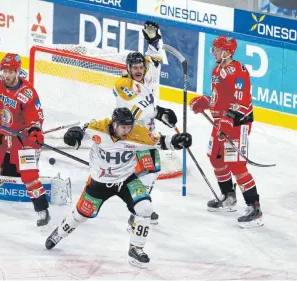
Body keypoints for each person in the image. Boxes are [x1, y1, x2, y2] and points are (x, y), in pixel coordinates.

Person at [44, 108, 192, 268]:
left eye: (129, 127)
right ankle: (59, 233)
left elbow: (159, 141)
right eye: (123, 127)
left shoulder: (138, 133)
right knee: (81, 215)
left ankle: (136, 249)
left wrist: (177, 140)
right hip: (99, 183)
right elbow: (80, 131)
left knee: (145, 208)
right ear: (114, 124)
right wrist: (73, 135)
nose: (127, 131)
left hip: (126, 181)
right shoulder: (99, 127)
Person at [0, 53, 51, 228]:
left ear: (18, 71)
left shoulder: (28, 92)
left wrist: (35, 132)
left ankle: (42, 211)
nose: (7, 75)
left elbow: (35, 118)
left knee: (30, 175)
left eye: (11, 71)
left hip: (20, 137)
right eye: (5, 71)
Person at [189, 36, 263, 228]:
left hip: (237, 124)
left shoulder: (238, 72)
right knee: (215, 157)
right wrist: (206, 101)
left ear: (227, 52)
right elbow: (220, 97)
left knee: (237, 166)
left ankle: (254, 208)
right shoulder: (217, 69)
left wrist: (227, 122)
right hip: (222, 123)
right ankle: (229, 197)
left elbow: (240, 102)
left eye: (216, 49)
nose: (212, 51)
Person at [113, 21, 178, 225]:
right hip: (130, 133)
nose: (139, 70)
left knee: (152, 170)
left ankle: (142, 204)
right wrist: (160, 113)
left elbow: (156, 56)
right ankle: (138, 208)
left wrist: (154, 40)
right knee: (144, 171)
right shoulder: (123, 84)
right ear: (128, 68)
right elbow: (137, 110)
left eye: (141, 67)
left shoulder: (148, 74)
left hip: (147, 131)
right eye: (135, 67)